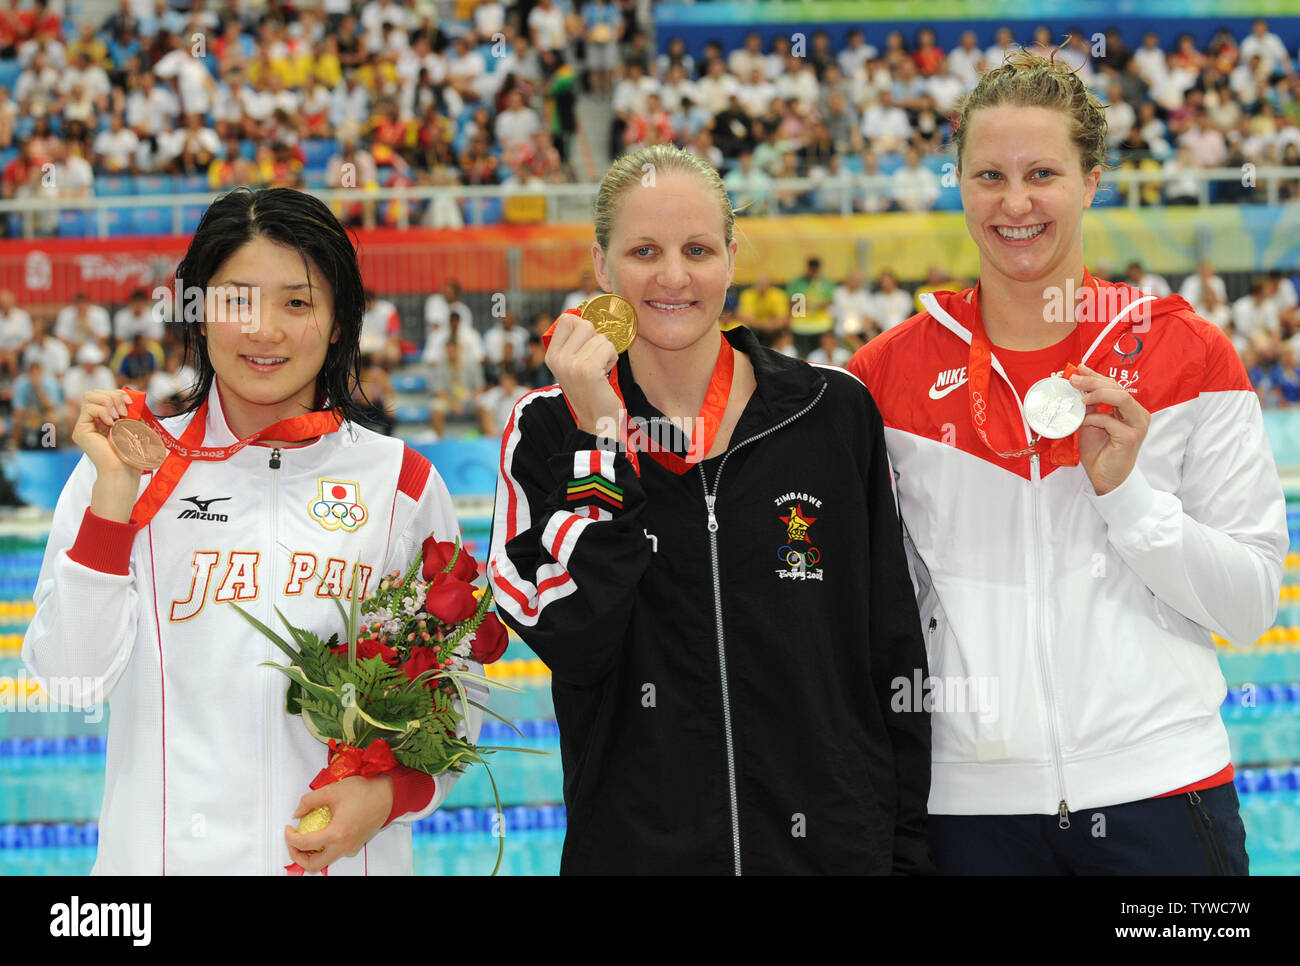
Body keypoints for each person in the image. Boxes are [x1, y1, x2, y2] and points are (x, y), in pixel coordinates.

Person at [848, 51, 1286, 875]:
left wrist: (1129, 498)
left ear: (1091, 180)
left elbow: (1252, 606)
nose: (1014, 203)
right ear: (960, 185)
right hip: (967, 811)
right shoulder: (882, 379)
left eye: (1042, 172)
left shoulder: (1187, 353)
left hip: (1165, 793)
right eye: (988, 176)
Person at [487, 144, 931, 875]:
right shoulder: (545, 431)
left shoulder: (829, 412)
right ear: (601, 267)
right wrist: (599, 432)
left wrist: (907, 858)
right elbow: (573, 635)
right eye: (643, 251)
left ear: (730, 256)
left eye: (697, 249)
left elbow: (892, 650)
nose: (672, 276)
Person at [23, 187, 483, 875]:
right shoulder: (121, 472)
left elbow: (459, 701)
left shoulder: (401, 485)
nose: (264, 330)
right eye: (237, 298)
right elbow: (71, 685)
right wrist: (113, 504)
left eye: (297, 302)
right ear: (198, 313)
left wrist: (389, 795)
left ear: (336, 322)